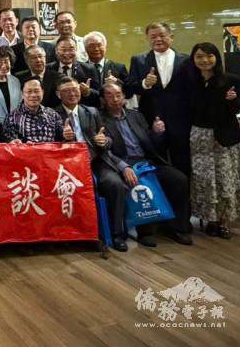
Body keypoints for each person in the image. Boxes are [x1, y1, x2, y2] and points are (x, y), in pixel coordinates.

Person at [99, 82, 192, 248]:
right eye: (110, 96)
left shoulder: (135, 115)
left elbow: (150, 142)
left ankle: (176, 227)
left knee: (179, 179)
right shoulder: (99, 118)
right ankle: (145, 231)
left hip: (146, 160)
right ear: (102, 100)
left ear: (124, 97)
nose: (115, 99)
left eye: (119, 95)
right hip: (123, 163)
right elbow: (104, 151)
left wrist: (157, 133)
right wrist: (124, 167)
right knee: (140, 182)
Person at [53, 77, 122, 250]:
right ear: (58, 94)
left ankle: (116, 235)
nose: (72, 93)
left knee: (115, 184)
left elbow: (109, 139)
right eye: (67, 91)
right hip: (68, 166)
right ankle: (82, 234)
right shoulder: (53, 114)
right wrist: (62, 137)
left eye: (75, 89)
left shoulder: (92, 111)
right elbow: (49, 144)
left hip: (96, 161)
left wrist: (103, 141)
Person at [187, 42, 240, 239]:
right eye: (199, 56)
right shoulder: (191, 82)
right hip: (199, 136)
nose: (205, 60)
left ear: (216, 58)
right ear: (193, 59)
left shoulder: (231, 79)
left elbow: (238, 108)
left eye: (209, 56)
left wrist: (232, 100)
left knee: (224, 179)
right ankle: (211, 219)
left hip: (224, 138)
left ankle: (224, 221)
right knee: (205, 180)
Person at [127, 22, 192, 177]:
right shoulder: (138, 60)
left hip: (181, 118)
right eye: (153, 37)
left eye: (162, 35)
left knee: (183, 159)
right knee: (156, 161)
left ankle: (185, 190)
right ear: (147, 39)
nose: (158, 39)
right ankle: (159, 192)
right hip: (151, 118)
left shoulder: (186, 60)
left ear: (171, 37)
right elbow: (129, 88)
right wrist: (144, 83)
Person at [3, 77, 64, 143]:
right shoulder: (12, 117)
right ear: (22, 94)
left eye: (36, 91)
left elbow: (61, 139)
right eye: (29, 91)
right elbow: (10, 142)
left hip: (49, 150)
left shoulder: (52, 114)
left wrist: (66, 134)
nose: (33, 95)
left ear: (42, 92)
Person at [81, 30, 131, 107]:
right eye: (91, 46)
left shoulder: (119, 67)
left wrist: (117, 83)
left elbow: (130, 93)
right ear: (85, 49)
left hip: (115, 109)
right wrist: (87, 92)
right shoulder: (80, 68)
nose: (96, 49)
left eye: (99, 45)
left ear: (105, 47)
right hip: (90, 110)